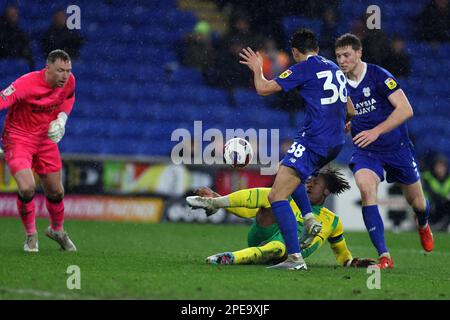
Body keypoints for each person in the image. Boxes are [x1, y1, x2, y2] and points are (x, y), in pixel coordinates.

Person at [237, 28, 355, 270]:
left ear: (294, 52)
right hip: (334, 142)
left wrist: (257, 68)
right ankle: (310, 218)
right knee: (288, 169)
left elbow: (263, 89)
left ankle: (295, 258)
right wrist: (340, 123)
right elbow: (351, 110)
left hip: (314, 139)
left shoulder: (304, 67)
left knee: (276, 196)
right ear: (317, 48)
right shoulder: (334, 68)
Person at [334, 33, 434, 269]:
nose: (342, 60)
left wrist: (376, 130)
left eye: (347, 55)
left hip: (396, 148)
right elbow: (347, 110)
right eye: (338, 56)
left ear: (359, 53)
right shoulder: (340, 82)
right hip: (366, 151)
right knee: (367, 189)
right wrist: (347, 121)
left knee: (418, 203)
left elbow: (405, 109)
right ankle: (384, 256)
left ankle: (423, 223)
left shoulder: (379, 75)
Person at [187, 168, 375, 267]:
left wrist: (353, 262)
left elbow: (342, 255)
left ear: (326, 191)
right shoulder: (290, 200)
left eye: (315, 183)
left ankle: (230, 258)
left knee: (279, 246)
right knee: (274, 195)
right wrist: (219, 197)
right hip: (261, 236)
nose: (308, 185)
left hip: (283, 249)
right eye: (308, 181)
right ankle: (217, 201)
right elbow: (251, 212)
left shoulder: (333, 222)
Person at [0, 49, 77, 252]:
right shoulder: (25, 84)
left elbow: (69, 97)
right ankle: (31, 235)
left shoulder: (69, 82)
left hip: (44, 140)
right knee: (27, 187)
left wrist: (62, 119)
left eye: (68, 70)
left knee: (56, 190)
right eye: (60, 70)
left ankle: (57, 230)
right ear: (48, 67)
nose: (65, 76)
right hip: (18, 138)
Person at [0, 4, 34, 69]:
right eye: (12, 14)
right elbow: (4, 46)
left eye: (15, 14)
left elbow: (25, 44)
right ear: (6, 14)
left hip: (17, 58)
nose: (14, 16)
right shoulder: (2, 29)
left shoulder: (18, 29)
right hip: (5, 59)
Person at [422, 154, 450, 231]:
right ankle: (434, 225)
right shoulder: (427, 177)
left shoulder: (448, 178)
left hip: (444, 205)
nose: (440, 169)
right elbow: (431, 193)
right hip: (430, 205)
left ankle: (444, 225)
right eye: (438, 166)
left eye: (442, 167)